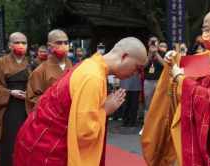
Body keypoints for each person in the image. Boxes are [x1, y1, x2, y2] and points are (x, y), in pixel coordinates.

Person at [14, 37, 147, 166]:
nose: (136, 74)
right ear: (124, 56)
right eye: (137, 68)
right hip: (48, 150)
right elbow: (84, 132)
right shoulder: (93, 77)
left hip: (37, 140)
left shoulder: (90, 65)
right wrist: (105, 110)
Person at [142, 7, 210, 166]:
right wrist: (175, 59)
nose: (203, 35)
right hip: (193, 132)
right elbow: (189, 68)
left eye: (207, 29)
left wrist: (181, 79)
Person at [0, 32, 30, 166]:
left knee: (28, 141)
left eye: (24, 43)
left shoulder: (31, 62)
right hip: (8, 108)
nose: (20, 45)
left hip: (28, 107)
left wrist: (30, 94)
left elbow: (38, 85)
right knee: (10, 142)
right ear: (10, 45)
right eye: (17, 42)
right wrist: (9, 92)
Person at [25, 29, 73, 113]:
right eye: (59, 43)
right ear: (49, 46)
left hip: (71, 114)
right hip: (52, 116)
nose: (64, 45)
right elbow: (31, 99)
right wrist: (52, 102)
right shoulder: (40, 71)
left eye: (66, 43)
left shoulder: (72, 66)